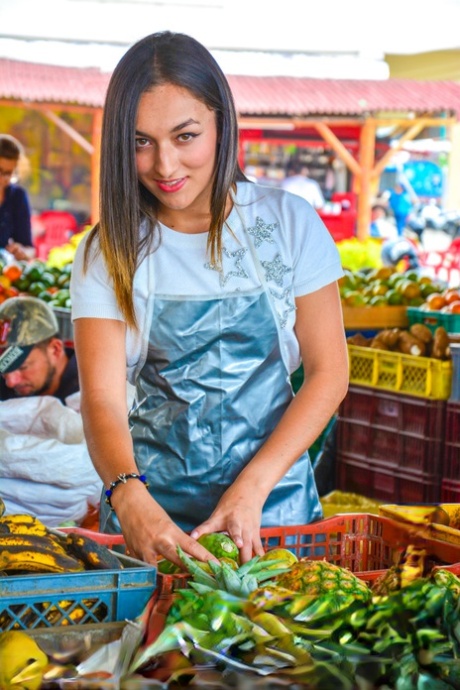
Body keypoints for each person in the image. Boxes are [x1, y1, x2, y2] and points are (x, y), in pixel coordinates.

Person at [70, 31, 348, 568]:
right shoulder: (107, 251)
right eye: (140, 142)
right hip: (155, 515)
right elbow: (102, 400)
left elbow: (329, 374)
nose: (165, 166)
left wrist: (251, 490)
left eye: (185, 136)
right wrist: (128, 495)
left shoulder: (288, 225)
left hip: (275, 514)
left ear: (223, 122)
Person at [0, 296, 79, 402]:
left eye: (23, 367)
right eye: (3, 371)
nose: (10, 382)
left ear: (55, 349)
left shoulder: (90, 389)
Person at [0, 135, 35, 261]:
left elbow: (29, 248)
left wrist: (21, 251)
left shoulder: (17, 197)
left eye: (8, 173)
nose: (2, 178)